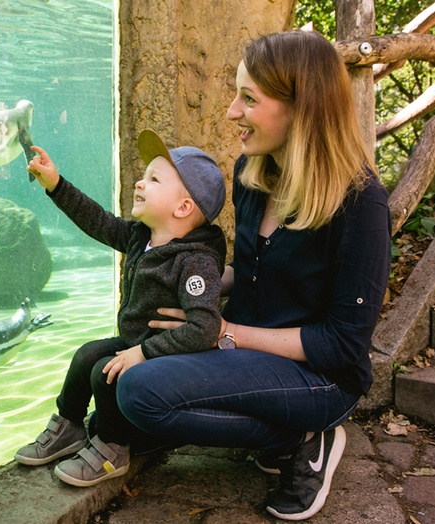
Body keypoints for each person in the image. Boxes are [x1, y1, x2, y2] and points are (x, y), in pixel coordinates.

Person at [116, 30, 392, 521]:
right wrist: (186, 287)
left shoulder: (361, 202)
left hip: (319, 378)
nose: (230, 112)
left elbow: (344, 344)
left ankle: (309, 436)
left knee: (142, 393)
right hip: (243, 352)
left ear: (301, 108)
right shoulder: (252, 174)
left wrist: (225, 333)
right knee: (125, 363)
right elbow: (250, 271)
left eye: (248, 98)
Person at [13, 129, 227, 488]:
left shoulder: (195, 262)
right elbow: (97, 220)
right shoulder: (140, 236)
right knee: (87, 356)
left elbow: (205, 328)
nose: (139, 184)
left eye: (153, 179)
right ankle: (69, 427)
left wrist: (143, 352)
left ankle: (113, 449)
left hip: (166, 361)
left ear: (183, 207)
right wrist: (55, 185)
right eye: (144, 177)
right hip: (138, 345)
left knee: (104, 372)